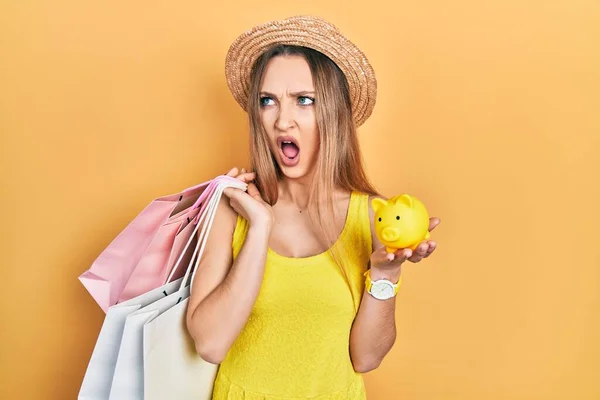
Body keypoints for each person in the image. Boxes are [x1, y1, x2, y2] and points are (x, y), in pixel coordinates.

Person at [185, 15, 440, 399]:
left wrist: (386, 272)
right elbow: (210, 344)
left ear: (334, 113)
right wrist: (259, 228)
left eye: (304, 100)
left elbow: (366, 358)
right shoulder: (232, 208)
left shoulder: (371, 216)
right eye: (267, 101)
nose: (282, 120)